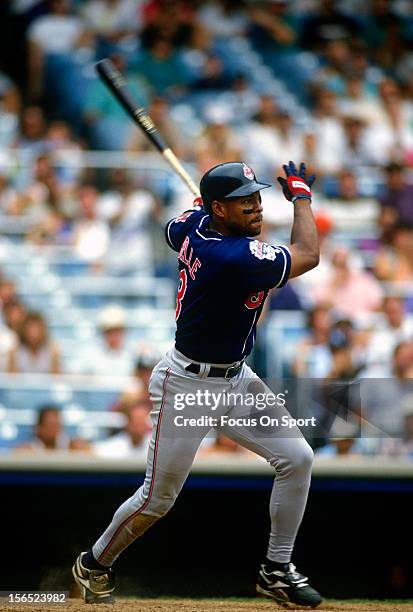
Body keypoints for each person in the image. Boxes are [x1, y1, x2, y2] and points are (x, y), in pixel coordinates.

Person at [72, 160, 323, 608]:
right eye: (244, 201)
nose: (257, 207)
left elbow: (178, 226)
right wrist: (301, 198)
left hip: (237, 377)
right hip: (187, 384)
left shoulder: (194, 226)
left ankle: (276, 569)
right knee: (157, 499)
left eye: (256, 198)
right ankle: (94, 564)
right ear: (220, 209)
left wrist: (205, 211)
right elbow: (307, 254)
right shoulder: (234, 255)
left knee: (298, 457)